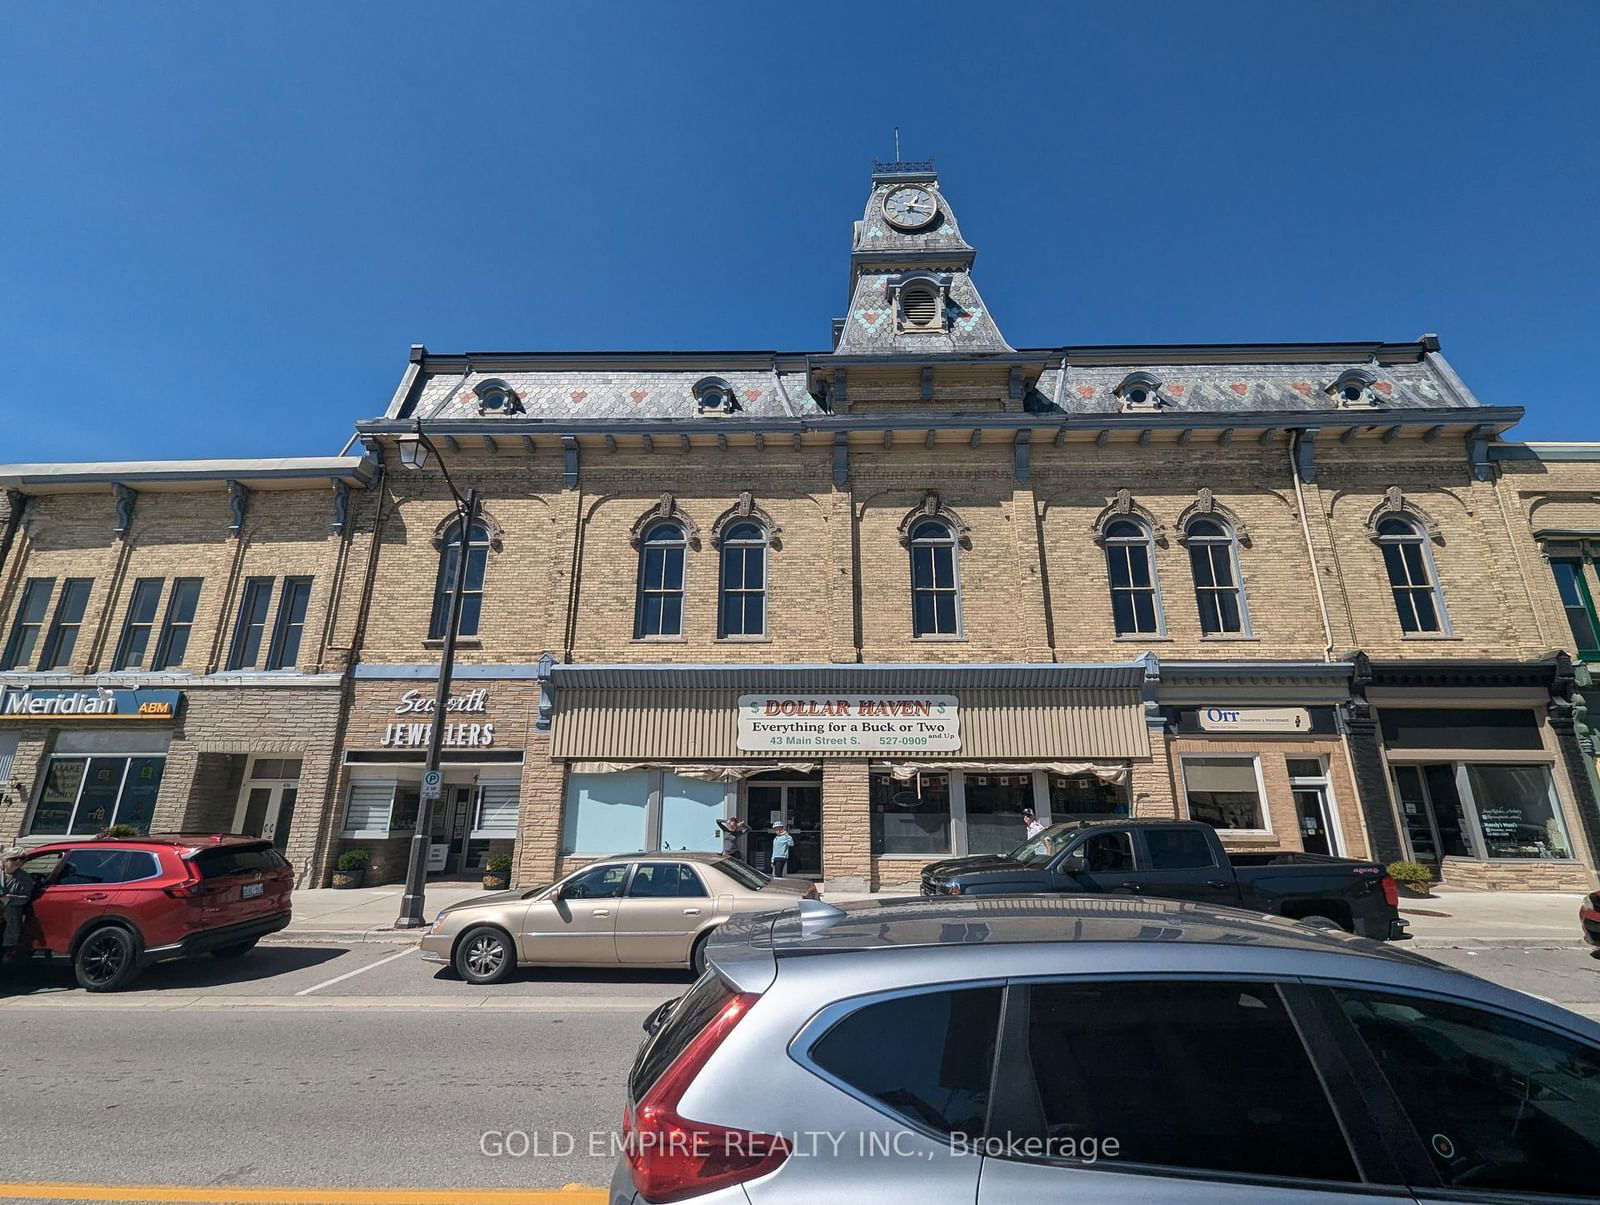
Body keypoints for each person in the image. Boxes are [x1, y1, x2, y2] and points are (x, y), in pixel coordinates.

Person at [2, 847, 36, 963]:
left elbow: (26, 897)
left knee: (11, 929)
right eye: (14, 859)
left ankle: (8, 950)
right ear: (5, 860)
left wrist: (10, 899)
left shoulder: (24, 878)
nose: (18, 863)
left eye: (21, 860)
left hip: (10, 913)